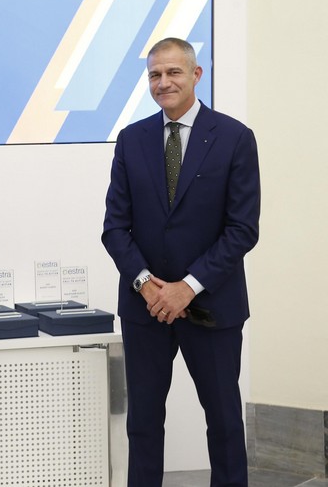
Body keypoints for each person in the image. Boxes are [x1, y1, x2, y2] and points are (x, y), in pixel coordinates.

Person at [102, 37, 260, 486]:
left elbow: (242, 229)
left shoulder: (234, 138)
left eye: (173, 72)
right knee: (143, 423)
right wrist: (147, 285)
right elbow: (115, 227)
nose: (163, 82)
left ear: (196, 74)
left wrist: (187, 287)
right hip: (145, 309)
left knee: (224, 421)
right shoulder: (131, 140)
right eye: (155, 74)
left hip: (213, 307)